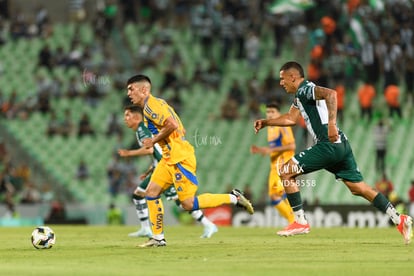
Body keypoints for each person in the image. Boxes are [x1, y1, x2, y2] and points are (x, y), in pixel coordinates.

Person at [253, 61, 413, 244]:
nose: (281, 83)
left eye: (282, 79)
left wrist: (330, 124)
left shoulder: (306, 89)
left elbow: (331, 94)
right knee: (358, 187)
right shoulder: (299, 96)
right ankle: (399, 219)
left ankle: (300, 221)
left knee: (285, 171)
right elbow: (290, 118)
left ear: (292, 77)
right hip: (340, 145)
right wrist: (266, 122)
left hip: (327, 144)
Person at [126, 75, 254, 247]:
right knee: (151, 193)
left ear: (144, 89)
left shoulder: (151, 107)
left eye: (131, 89)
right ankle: (158, 238)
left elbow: (171, 125)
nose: (128, 93)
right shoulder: (157, 104)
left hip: (180, 158)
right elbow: (179, 126)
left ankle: (233, 198)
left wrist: (154, 140)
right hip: (168, 158)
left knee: (188, 204)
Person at [118, 105, 218, 239]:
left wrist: (129, 153)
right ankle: (146, 228)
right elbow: (157, 152)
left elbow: (150, 150)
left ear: (136, 117)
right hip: (161, 166)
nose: (125, 119)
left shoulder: (142, 129)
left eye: (127, 115)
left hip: (168, 169)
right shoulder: (142, 129)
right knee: (139, 194)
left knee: (183, 202)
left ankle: (208, 224)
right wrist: (149, 171)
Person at [250, 102, 295, 225]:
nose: (269, 114)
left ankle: (294, 221)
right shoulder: (270, 128)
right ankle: (295, 221)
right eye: (268, 112)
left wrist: (271, 150)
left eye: (272, 112)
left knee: (279, 193)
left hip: (284, 164)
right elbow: (275, 147)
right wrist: (262, 150)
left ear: (278, 113)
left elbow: (292, 145)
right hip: (274, 166)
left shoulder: (283, 126)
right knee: (274, 195)